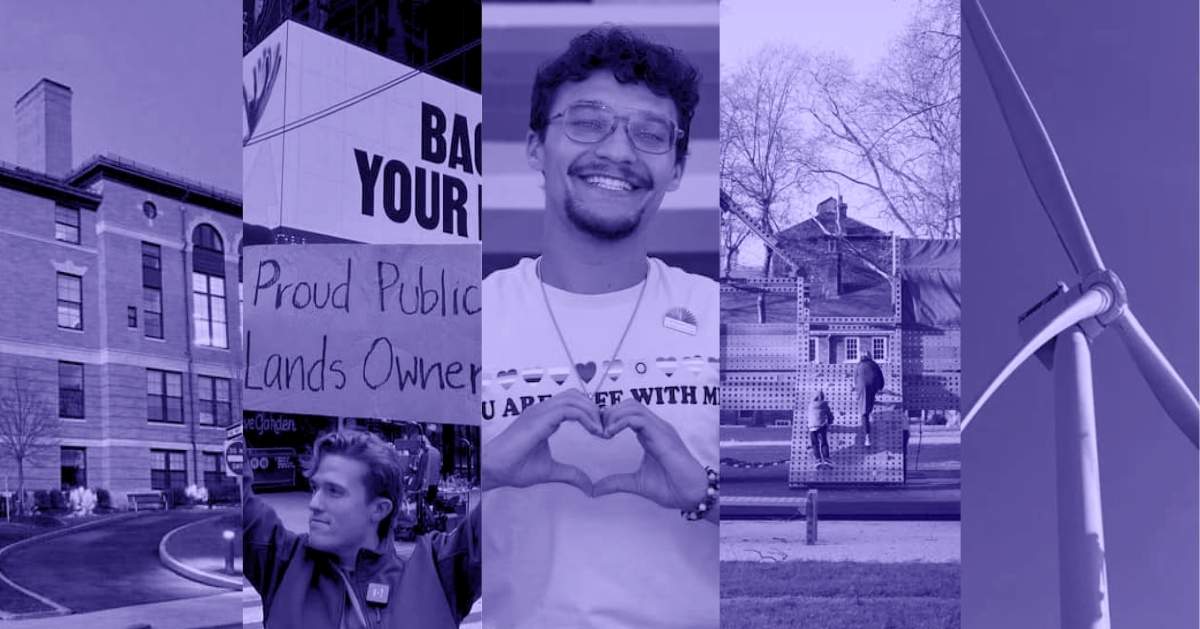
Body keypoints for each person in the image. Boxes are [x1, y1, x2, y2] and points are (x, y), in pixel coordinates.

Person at [482, 26, 718, 629]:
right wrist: (481, 471)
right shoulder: (464, 319)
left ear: (678, 166)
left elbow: (791, 522)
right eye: (587, 121)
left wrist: (706, 494)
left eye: (650, 133)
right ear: (535, 146)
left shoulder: (719, 318)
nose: (618, 152)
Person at [243, 429, 480, 629]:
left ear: (379, 509)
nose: (314, 504)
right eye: (315, 488)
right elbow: (239, 493)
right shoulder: (282, 562)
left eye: (334, 491)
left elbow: (506, 514)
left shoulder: (435, 570)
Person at [855, 354, 885, 447]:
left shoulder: (859, 365)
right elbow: (881, 377)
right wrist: (880, 388)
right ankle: (870, 403)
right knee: (869, 404)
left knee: (864, 414)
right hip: (873, 387)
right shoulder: (874, 364)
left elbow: (855, 379)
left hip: (863, 388)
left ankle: (867, 437)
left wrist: (857, 389)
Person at [808, 390, 834, 468]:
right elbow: (829, 415)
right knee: (824, 442)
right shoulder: (825, 405)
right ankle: (826, 459)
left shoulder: (810, 405)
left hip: (812, 427)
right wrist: (830, 422)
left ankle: (818, 460)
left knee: (815, 444)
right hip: (822, 426)